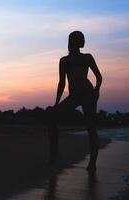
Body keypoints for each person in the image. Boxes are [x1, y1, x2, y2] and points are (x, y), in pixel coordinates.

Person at [48, 31, 102, 174]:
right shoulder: (64, 61)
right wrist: (56, 103)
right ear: (73, 41)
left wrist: (97, 90)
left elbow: (99, 76)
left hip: (87, 93)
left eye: (84, 38)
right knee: (53, 119)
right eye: (81, 38)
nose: (83, 40)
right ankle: (54, 153)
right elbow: (61, 83)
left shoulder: (87, 57)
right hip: (74, 95)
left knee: (91, 127)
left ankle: (92, 163)